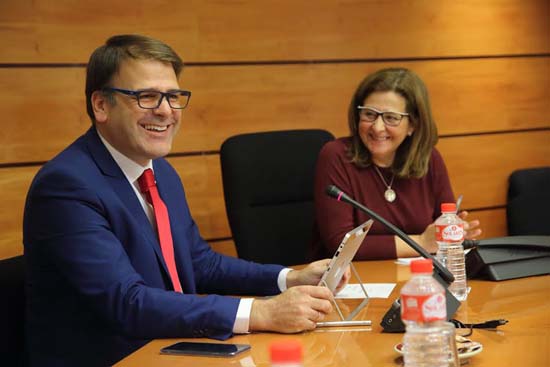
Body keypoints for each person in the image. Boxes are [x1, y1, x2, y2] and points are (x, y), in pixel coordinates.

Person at [23, 34, 345, 367]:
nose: (165, 111)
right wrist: (261, 312)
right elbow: (126, 302)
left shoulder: (161, 172)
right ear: (101, 105)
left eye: (173, 96)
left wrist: (288, 278)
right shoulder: (66, 186)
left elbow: (199, 263)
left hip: (173, 348)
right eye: (147, 96)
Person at [309, 67, 482, 261]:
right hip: (349, 283)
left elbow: (442, 230)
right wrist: (422, 242)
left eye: (391, 118)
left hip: (417, 279)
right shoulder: (336, 156)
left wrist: (454, 233)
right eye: (369, 114)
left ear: (413, 125)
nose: (377, 127)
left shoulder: (429, 159)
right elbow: (341, 243)